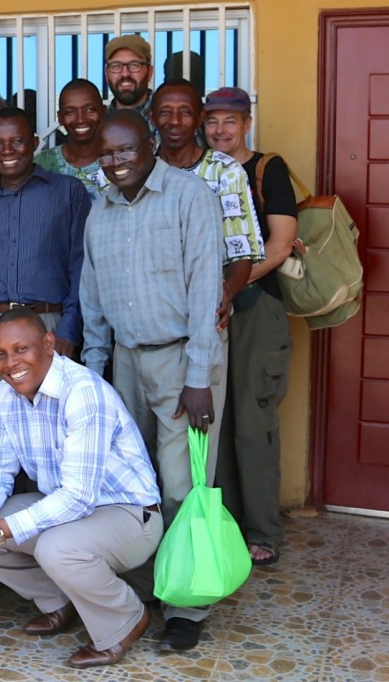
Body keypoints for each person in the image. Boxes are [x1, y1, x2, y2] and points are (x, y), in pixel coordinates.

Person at [0, 309, 162, 668]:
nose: (11, 363)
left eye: (21, 349)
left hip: (129, 515)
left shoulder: (82, 392)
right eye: (0, 354)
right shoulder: (2, 399)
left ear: (48, 344)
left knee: (52, 547)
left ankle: (125, 619)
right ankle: (59, 599)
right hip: (65, 510)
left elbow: (79, 496)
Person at [80, 110, 225, 652]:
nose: (116, 161)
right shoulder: (101, 212)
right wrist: (96, 381)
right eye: (106, 154)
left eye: (125, 150)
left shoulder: (190, 197)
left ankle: (186, 605)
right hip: (125, 363)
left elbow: (207, 287)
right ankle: (144, 588)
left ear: (150, 146)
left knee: (182, 482)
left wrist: (200, 376)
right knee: (132, 488)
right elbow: (92, 303)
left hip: (182, 360)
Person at [204, 87, 297, 566]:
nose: (220, 130)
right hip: (210, 309)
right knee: (214, 423)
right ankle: (226, 524)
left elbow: (279, 247)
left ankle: (263, 531)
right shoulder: (200, 171)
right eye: (213, 121)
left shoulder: (266, 169)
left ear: (247, 123)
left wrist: (228, 287)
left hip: (255, 307)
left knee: (252, 420)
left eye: (230, 121)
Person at [0, 107, 90, 404]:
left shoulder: (67, 193)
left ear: (34, 143)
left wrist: (69, 328)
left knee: (56, 414)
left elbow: (81, 266)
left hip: (47, 322)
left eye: (16, 141)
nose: (7, 151)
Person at [151, 79, 265, 331]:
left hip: (205, 311)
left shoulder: (225, 170)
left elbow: (242, 252)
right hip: (151, 312)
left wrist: (225, 295)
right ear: (152, 117)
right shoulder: (143, 171)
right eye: (165, 112)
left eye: (185, 112)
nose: (175, 121)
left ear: (200, 117)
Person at [33, 79, 109, 200]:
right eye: (70, 112)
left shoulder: (117, 160)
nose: (81, 119)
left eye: (89, 109)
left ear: (103, 111)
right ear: (60, 118)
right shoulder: (42, 163)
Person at [104, 35, 155, 127]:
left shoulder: (167, 118)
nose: (125, 74)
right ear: (106, 74)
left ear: (150, 72)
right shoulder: (99, 122)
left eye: (134, 65)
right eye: (116, 66)